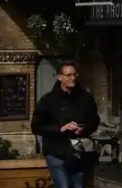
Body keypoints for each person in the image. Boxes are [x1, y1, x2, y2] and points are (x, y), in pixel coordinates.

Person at [31, 60, 100, 188]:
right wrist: (60, 128)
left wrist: (84, 129)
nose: (72, 78)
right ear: (60, 77)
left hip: (79, 154)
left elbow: (94, 121)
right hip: (57, 153)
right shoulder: (48, 100)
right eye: (68, 75)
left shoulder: (86, 98)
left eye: (74, 74)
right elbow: (36, 126)